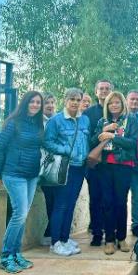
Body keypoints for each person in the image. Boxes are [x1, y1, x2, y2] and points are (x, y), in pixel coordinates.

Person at [0, 91, 44, 272]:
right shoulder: (13, 123)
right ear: (25, 103)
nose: (35, 105)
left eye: (38, 102)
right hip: (14, 174)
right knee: (19, 214)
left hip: (31, 175)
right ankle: (5, 257)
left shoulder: (38, 124)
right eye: (32, 102)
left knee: (23, 214)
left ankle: (15, 253)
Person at [44, 88, 91, 256]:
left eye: (78, 99)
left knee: (71, 204)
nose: (75, 102)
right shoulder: (56, 120)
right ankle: (55, 242)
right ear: (65, 100)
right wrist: (65, 149)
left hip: (80, 168)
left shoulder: (84, 120)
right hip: (65, 167)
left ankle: (64, 238)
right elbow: (47, 142)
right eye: (72, 99)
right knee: (61, 204)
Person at [92, 91, 138, 255]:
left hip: (123, 166)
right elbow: (92, 142)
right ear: (107, 106)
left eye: (117, 102)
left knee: (120, 202)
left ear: (123, 104)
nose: (114, 105)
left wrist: (112, 136)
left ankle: (122, 238)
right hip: (104, 167)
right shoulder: (101, 121)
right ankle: (109, 240)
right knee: (107, 202)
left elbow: (133, 143)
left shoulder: (131, 121)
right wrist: (103, 131)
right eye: (111, 103)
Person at [84, 79, 114, 246]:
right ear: (96, 92)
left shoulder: (116, 111)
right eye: (101, 89)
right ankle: (96, 233)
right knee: (95, 199)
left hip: (113, 164)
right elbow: (86, 138)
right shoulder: (88, 113)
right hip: (95, 164)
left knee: (111, 200)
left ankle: (113, 233)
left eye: (107, 89)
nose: (103, 91)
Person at [40, 91, 57, 246]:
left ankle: (53, 232)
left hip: (58, 166)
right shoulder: (38, 122)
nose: (50, 105)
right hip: (44, 167)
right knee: (51, 200)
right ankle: (51, 233)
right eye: (47, 103)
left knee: (59, 200)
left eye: (52, 102)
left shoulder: (58, 120)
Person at [127, 89, 138, 236]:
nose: (134, 102)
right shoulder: (121, 117)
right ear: (127, 100)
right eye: (132, 99)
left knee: (137, 195)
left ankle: (137, 223)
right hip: (123, 162)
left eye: (137, 100)